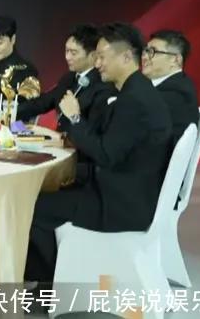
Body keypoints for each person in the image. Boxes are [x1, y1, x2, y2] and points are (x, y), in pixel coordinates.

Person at [25, 23, 172, 285]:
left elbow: (106, 154)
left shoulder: (134, 100)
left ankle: (48, 286)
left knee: (32, 208)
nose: (98, 63)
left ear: (126, 57)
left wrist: (74, 118)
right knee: (46, 194)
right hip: (127, 190)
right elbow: (109, 146)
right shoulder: (137, 91)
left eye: (102, 56)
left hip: (119, 203)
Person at [17, 24, 113, 129]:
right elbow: (42, 102)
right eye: (66, 51)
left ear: (93, 55)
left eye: (73, 53)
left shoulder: (103, 83)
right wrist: (11, 111)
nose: (67, 57)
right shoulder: (68, 78)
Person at [142, 29, 199, 142]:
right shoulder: (174, 84)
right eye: (145, 51)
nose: (144, 57)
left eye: (152, 52)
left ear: (175, 60)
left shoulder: (176, 93)